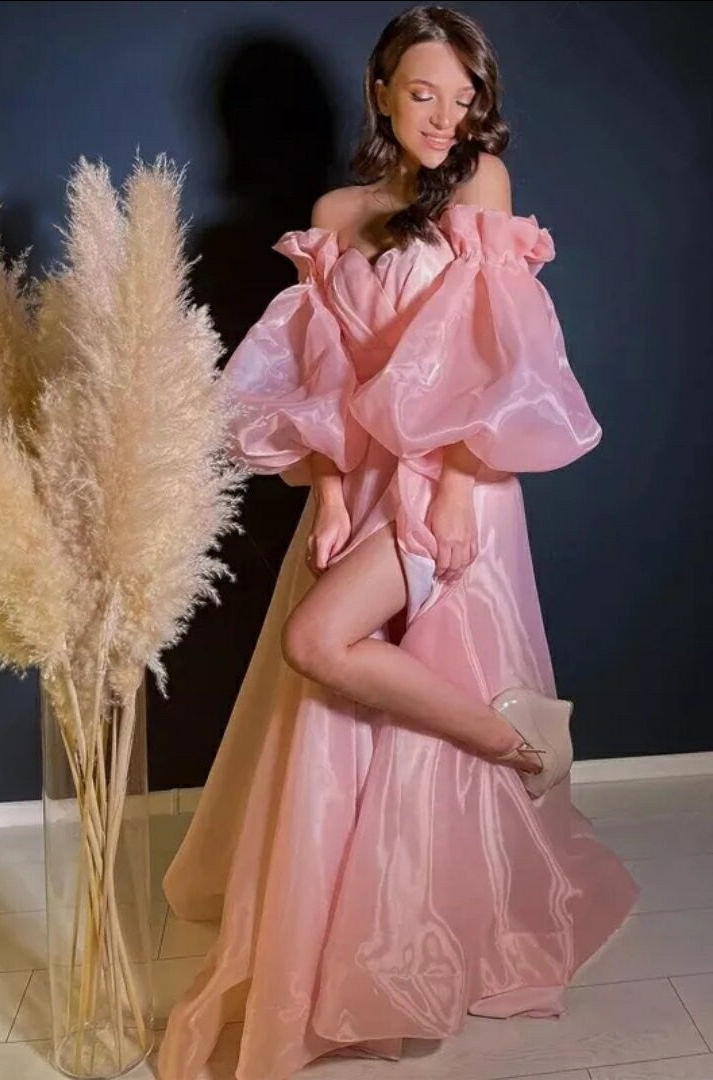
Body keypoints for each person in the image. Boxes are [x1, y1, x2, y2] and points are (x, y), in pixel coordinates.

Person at [157, 6, 639, 1078]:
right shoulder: (335, 213)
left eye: (463, 100)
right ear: (379, 91)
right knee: (338, 707)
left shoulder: (480, 191)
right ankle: (352, 935)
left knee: (319, 644)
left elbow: (497, 356)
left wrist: (459, 487)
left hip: (456, 478)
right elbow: (316, 375)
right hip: (363, 480)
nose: (444, 119)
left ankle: (520, 745)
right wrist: (330, 495)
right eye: (423, 94)